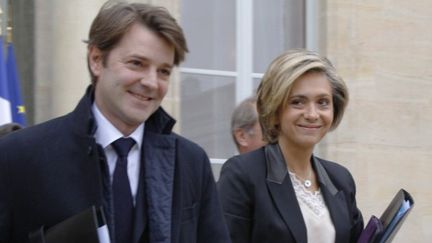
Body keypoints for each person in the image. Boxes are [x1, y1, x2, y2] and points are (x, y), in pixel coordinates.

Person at [0, 2, 230, 243]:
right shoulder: (18, 157)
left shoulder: (191, 162)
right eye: (137, 63)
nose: (152, 82)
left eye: (163, 71)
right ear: (96, 60)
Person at [218, 49, 364, 243]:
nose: (312, 114)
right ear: (275, 110)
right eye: (297, 102)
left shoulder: (340, 180)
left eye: (323, 102)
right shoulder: (242, 175)